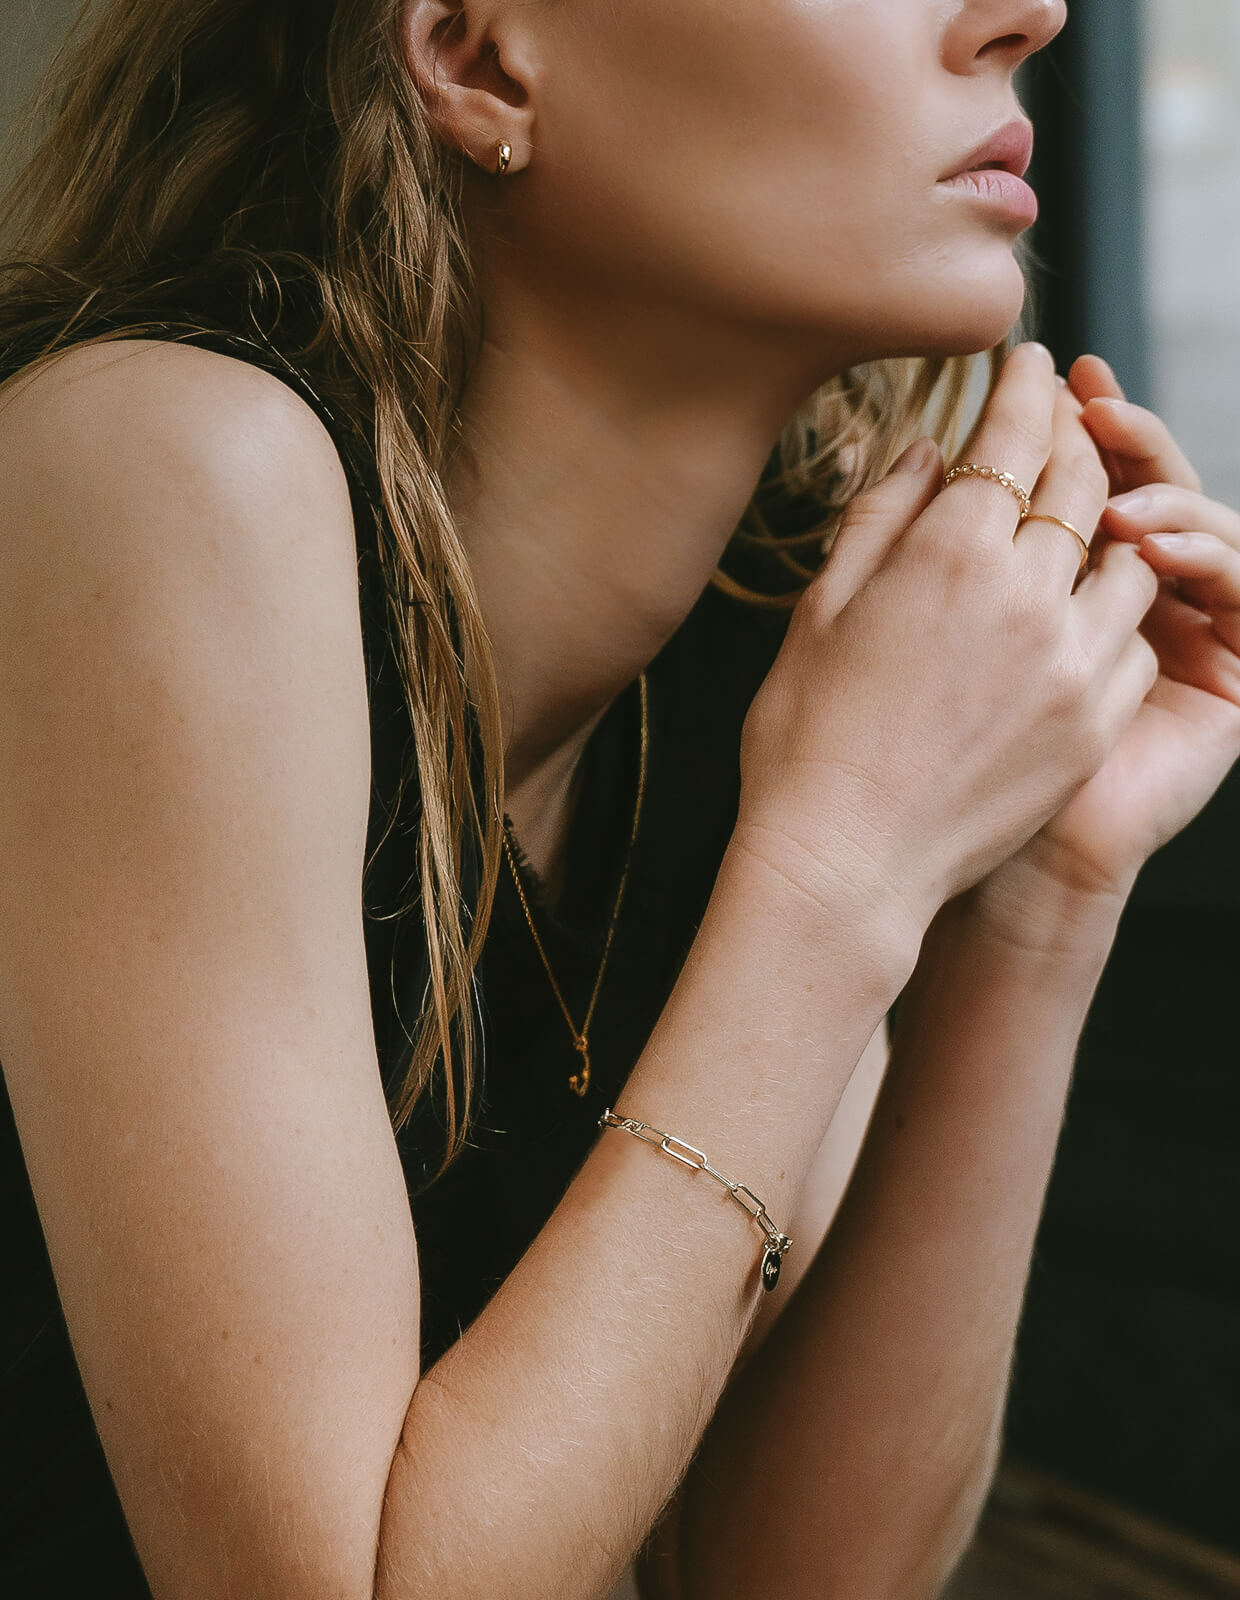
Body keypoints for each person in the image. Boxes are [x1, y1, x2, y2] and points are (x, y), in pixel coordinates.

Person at [0, 0, 1237, 1595]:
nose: (1027, 12)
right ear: (478, 56)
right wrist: (841, 862)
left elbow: (794, 1578)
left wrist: (1038, 891)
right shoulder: (161, 465)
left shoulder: (794, 635)